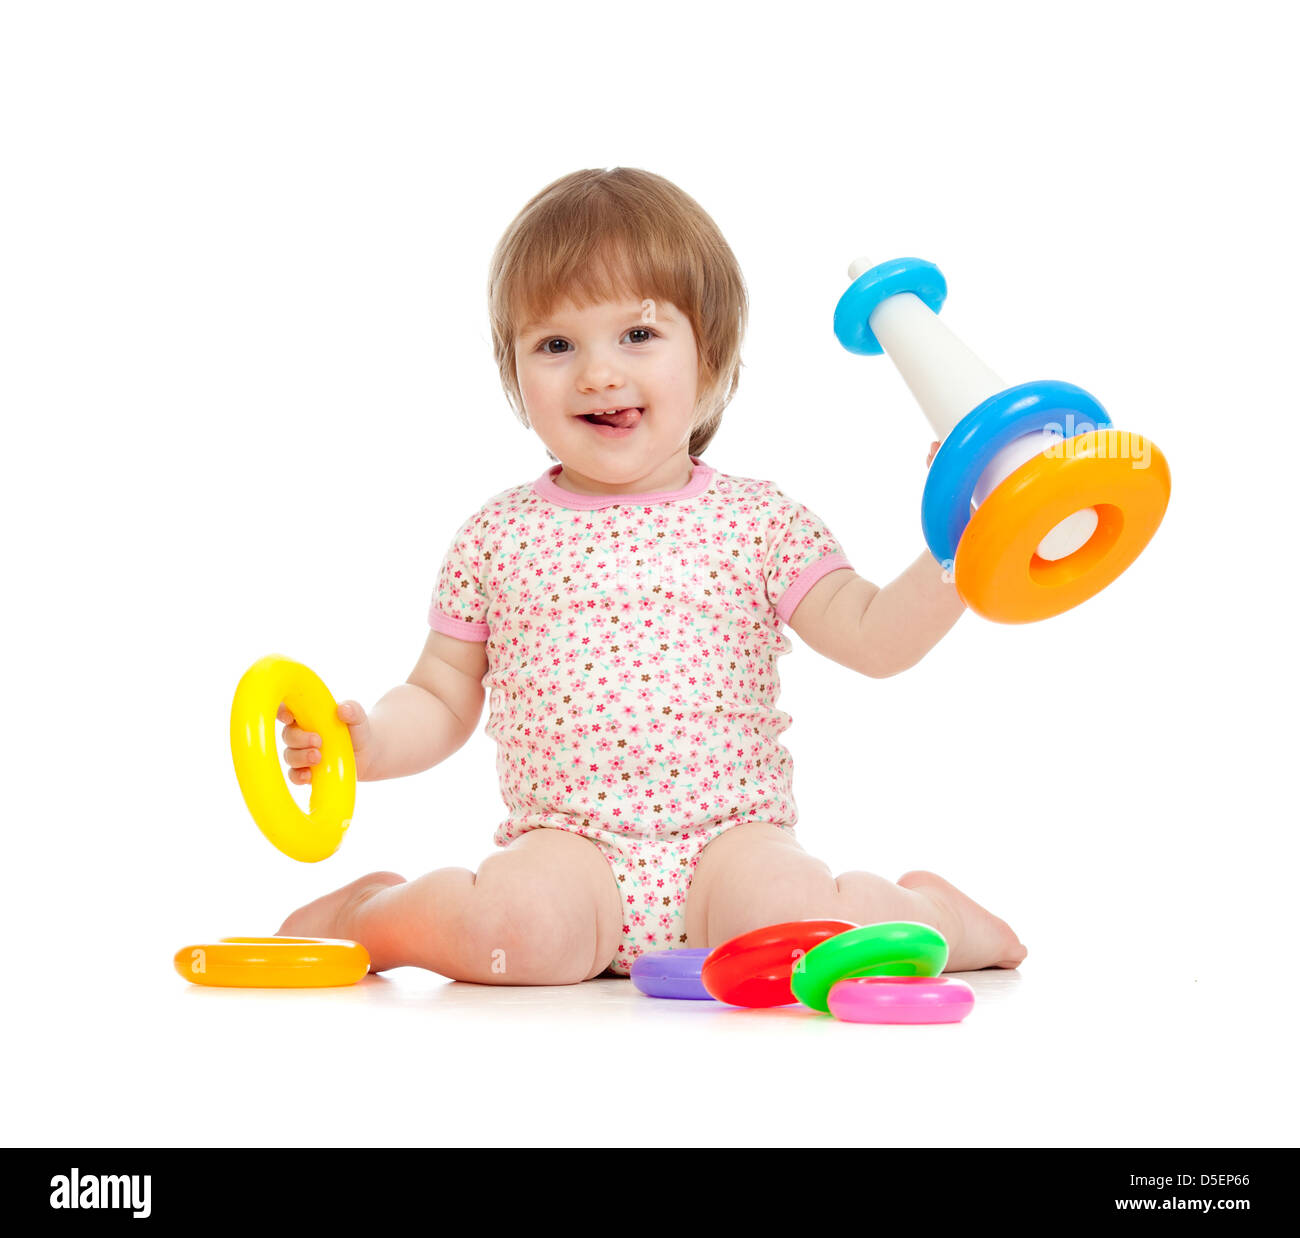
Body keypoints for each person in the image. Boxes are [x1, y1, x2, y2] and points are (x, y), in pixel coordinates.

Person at [277, 167, 1027, 983]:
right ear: (514, 372)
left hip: (732, 844)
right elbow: (440, 693)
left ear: (711, 357)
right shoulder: (497, 537)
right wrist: (371, 743)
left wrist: (964, 542)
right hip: (568, 848)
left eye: (637, 336)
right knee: (514, 931)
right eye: (556, 345)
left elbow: (876, 637)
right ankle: (374, 917)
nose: (598, 373)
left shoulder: (760, 521)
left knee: (803, 931)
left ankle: (936, 917)